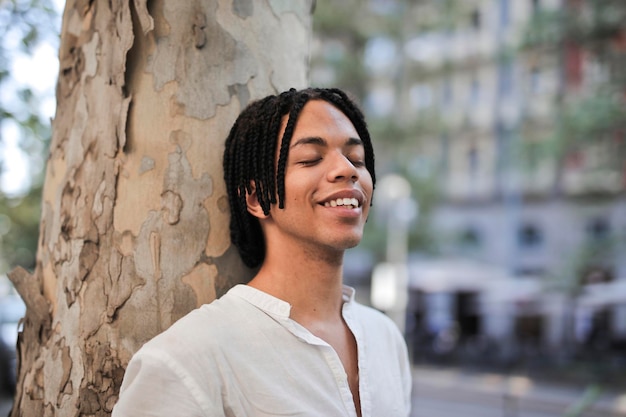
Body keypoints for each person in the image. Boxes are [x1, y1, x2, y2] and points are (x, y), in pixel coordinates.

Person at [112, 87, 412, 417]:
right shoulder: (187, 360)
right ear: (255, 198)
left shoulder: (385, 339)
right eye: (311, 158)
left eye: (356, 159)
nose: (348, 170)